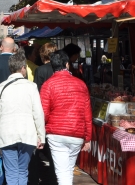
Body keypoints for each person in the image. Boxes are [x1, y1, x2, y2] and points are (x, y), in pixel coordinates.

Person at [0, 52, 46, 185]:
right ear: (23, 67)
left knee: (12, 171)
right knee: (23, 170)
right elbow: (38, 113)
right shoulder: (31, 87)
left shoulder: (1, 88)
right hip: (27, 133)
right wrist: (41, 136)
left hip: (7, 133)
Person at [40, 50, 92, 185]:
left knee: (62, 172)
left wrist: (39, 133)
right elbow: (87, 113)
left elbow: (43, 113)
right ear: (67, 64)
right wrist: (88, 137)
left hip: (56, 133)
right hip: (77, 133)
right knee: (67, 170)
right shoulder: (81, 84)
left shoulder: (48, 85)